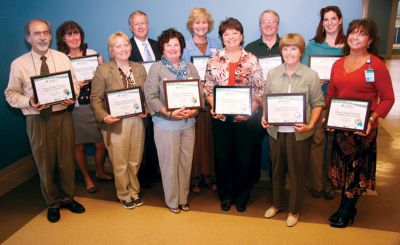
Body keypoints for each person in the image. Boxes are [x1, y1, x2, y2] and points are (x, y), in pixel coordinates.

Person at [5, 19, 85, 223]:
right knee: (44, 162)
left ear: (50, 36)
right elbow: (11, 94)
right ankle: (53, 203)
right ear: (28, 38)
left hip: (62, 116)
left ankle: (67, 198)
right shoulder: (19, 64)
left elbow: (74, 84)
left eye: (45, 33)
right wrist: (29, 101)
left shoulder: (62, 58)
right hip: (37, 119)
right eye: (36, 33)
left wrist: (72, 95)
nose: (42, 37)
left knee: (67, 160)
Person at [325, 19, 394, 228]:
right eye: (352, 32)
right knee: (344, 170)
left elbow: (388, 98)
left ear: (370, 40)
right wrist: (327, 118)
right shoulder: (338, 63)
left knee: (356, 172)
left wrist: (372, 120)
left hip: (363, 129)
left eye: (362, 33)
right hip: (340, 127)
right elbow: (331, 92)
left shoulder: (377, 65)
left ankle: (346, 210)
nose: (355, 37)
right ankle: (345, 206)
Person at [262, 33, 324, 227]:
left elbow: (317, 103)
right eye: (286, 48)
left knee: (297, 172)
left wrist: (311, 124)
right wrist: (265, 117)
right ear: (281, 52)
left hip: (300, 132)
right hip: (276, 132)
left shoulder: (310, 75)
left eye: (294, 48)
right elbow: (266, 98)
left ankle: (294, 209)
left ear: (301, 52)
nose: (289, 52)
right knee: (278, 170)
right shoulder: (272, 73)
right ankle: (277, 203)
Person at [205, 18, 264, 212]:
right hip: (221, 118)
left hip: (246, 119)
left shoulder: (252, 59)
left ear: (242, 36)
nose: (230, 37)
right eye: (226, 34)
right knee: (223, 157)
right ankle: (226, 195)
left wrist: (250, 111)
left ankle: (241, 195)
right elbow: (208, 88)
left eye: (234, 33)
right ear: (222, 37)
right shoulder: (214, 59)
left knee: (244, 157)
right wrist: (215, 107)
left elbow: (259, 90)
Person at [144, 28, 199, 213]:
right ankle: (172, 200)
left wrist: (193, 110)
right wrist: (168, 113)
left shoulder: (189, 67)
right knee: (169, 164)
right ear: (162, 48)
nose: (173, 48)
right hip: (166, 124)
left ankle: (183, 198)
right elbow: (150, 96)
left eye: (176, 44)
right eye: (169, 45)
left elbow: (198, 92)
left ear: (182, 47)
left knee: (185, 163)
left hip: (188, 124)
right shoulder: (156, 68)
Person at [91, 32, 147, 209]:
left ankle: (134, 190)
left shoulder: (139, 68)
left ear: (130, 47)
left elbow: (145, 95)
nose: (123, 49)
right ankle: (123, 192)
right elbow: (95, 99)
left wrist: (145, 108)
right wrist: (104, 116)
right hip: (115, 123)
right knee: (120, 161)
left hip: (137, 122)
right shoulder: (103, 69)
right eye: (118, 46)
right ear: (111, 50)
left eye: (125, 45)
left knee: (134, 160)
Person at [56, 20, 112, 194]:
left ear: (81, 35)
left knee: (101, 144)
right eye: (69, 34)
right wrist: (74, 84)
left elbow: (103, 78)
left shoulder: (92, 53)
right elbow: (59, 87)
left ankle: (100, 171)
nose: (74, 37)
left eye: (76, 33)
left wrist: (102, 66)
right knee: (78, 146)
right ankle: (87, 178)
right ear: (63, 38)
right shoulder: (60, 59)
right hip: (76, 107)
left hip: (95, 105)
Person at [301, 6, 346, 200]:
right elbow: (302, 71)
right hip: (317, 101)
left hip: (339, 102)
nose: (329, 23)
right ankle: (316, 184)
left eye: (333, 19)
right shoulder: (313, 46)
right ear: (322, 22)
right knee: (317, 143)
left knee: (335, 145)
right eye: (325, 19)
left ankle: (331, 183)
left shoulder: (348, 46)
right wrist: (314, 79)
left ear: (340, 20)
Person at [182, 7, 220, 193]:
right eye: (197, 22)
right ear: (191, 25)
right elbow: (181, 73)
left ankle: (210, 175)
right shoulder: (184, 46)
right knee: (195, 140)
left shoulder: (216, 44)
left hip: (213, 98)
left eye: (204, 22)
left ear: (209, 25)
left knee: (211, 139)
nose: (201, 26)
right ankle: (195, 176)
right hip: (193, 99)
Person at [245, 9, 281, 185]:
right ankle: (252, 180)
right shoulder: (250, 48)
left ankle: (277, 181)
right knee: (253, 144)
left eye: (272, 21)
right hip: (256, 104)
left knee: (278, 147)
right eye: (264, 22)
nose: (268, 25)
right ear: (259, 26)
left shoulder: (286, 45)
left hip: (280, 105)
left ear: (278, 24)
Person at [128, 10, 161, 188]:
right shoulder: (126, 47)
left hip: (158, 100)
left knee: (155, 139)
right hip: (138, 101)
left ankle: (154, 173)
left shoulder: (157, 45)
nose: (141, 26)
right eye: (136, 24)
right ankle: (141, 178)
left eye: (143, 23)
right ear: (131, 27)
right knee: (140, 141)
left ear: (148, 25)